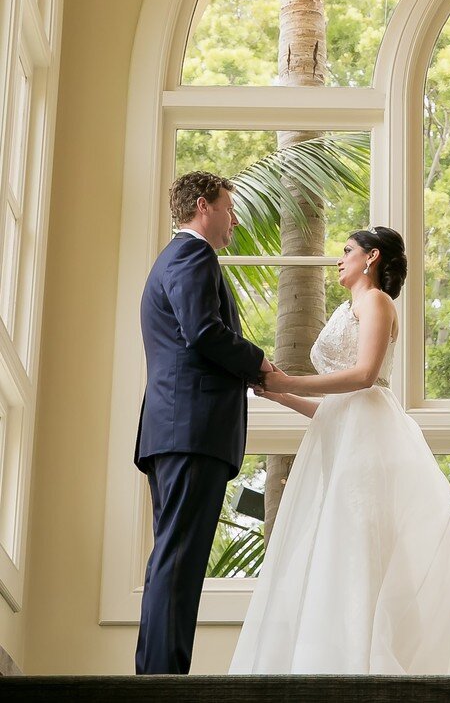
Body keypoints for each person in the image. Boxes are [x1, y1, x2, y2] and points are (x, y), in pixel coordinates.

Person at [229, 226, 450, 675]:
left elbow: (364, 375)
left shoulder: (377, 303)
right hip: (341, 441)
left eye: (347, 251)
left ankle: (364, 669)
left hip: (369, 444)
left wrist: (288, 380)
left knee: (359, 548)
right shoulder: (349, 308)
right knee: (333, 552)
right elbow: (334, 410)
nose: (338, 259)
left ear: (372, 257)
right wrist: (278, 395)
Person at [135, 170, 277, 675]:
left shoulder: (172, 259)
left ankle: (156, 675)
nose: (235, 219)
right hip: (191, 430)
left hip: (177, 429)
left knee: (174, 558)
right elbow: (204, 332)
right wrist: (260, 365)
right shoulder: (193, 255)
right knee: (179, 560)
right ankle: (161, 681)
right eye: (229, 208)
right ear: (203, 206)